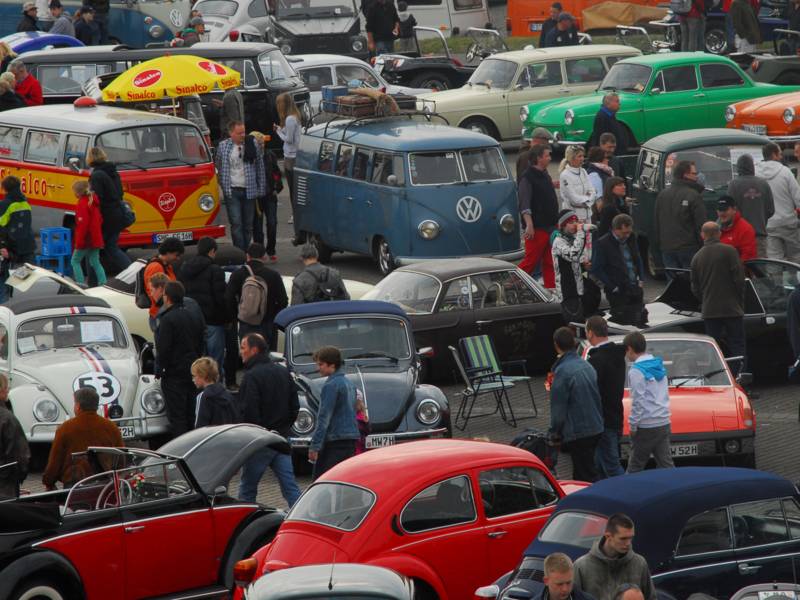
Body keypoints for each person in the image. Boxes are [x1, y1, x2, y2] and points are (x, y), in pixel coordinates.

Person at [238, 333, 302, 506]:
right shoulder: (283, 372)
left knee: (247, 490)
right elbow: (294, 406)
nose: (240, 352)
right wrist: (284, 427)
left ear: (254, 350)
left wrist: (256, 433)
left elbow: (249, 410)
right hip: (281, 439)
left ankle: (243, 526)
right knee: (290, 487)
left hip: (260, 441)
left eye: (243, 347)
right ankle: (303, 518)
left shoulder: (251, 376)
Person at [549, 327, 604, 482]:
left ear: (556, 344)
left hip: (579, 432)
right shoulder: (587, 365)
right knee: (588, 470)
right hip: (595, 427)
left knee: (583, 477)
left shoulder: (563, 371)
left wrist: (553, 433)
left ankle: (593, 504)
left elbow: (558, 408)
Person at [42, 387, 124, 490]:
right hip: (105, 485)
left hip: (75, 486)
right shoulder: (112, 427)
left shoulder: (65, 429)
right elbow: (120, 459)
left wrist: (48, 482)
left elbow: (54, 462)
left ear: (78, 406)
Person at [691, 221, 746, 371]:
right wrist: (738, 300)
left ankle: (717, 378)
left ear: (702, 235)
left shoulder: (697, 257)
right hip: (732, 308)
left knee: (714, 348)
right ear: (719, 234)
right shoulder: (729, 251)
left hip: (710, 311)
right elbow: (739, 279)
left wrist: (704, 300)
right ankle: (740, 377)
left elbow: (695, 287)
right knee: (737, 344)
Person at [155, 281, 206, 439]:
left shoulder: (168, 319)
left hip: (174, 373)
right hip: (192, 370)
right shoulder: (193, 315)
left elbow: (164, 349)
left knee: (177, 416)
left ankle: (182, 449)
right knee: (191, 412)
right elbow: (201, 341)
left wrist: (159, 370)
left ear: (168, 297)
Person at [623, 331, 674, 473]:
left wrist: (633, 425)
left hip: (646, 425)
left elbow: (638, 401)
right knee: (666, 466)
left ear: (630, 349)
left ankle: (627, 493)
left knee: (635, 467)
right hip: (663, 422)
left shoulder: (636, 371)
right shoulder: (658, 365)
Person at [573, 513, 656, 600]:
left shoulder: (639, 563)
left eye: (630, 538)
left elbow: (651, 598)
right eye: (623, 538)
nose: (628, 543)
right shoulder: (582, 566)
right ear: (608, 536)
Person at [180, 237, 228, 381]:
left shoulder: (185, 268)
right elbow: (220, 298)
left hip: (193, 321)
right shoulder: (215, 270)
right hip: (213, 321)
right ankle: (215, 388)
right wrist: (226, 318)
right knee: (215, 361)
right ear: (212, 251)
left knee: (199, 360)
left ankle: (200, 386)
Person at [309, 346, 360, 480]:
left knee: (323, 480)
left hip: (335, 440)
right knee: (345, 478)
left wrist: (315, 446)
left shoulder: (331, 385)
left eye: (321, 364)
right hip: (350, 437)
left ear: (332, 365)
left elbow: (324, 417)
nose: (318, 367)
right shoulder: (349, 383)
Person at [586, 316, 626, 479]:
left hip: (603, 420)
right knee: (600, 465)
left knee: (611, 467)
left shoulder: (597, 360)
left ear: (590, 333)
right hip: (616, 415)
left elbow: (592, 391)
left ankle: (629, 494)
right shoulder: (617, 355)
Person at [226, 242, 288, 349]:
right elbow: (283, 301)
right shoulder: (273, 275)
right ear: (264, 257)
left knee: (248, 355)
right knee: (268, 356)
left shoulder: (238, 274)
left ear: (247, 256)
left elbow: (228, 298)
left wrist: (237, 315)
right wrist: (272, 316)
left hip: (246, 323)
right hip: (267, 323)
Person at [216, 121, 265, 251]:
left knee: (248, 225)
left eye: (244, 132)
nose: (243, 135)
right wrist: (223, 184)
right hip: (232, 191)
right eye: (239, 133)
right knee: (236, 223)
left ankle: (246, 250)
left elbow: (260, 166)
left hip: (249, 190)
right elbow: (218, 166)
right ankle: (239, 252)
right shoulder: (223, 146)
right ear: (231, 133)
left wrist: (261, 188)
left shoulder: (252, 143)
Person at [592, 214, 646, 327]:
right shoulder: (603, 243)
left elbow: (638, 258)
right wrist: (612, 287)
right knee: (622, 323)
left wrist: (641, 279)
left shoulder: (631, 238)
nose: (628, 235)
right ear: (616, 229)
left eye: (629, 232)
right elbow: (597, 269)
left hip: (635, 287)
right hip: (618, 292)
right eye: (625, 232)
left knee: (641, 320)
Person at [654, 160, 705, 275]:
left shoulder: (662, 195)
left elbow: (657, 223)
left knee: (673, 286)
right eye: (694, 173)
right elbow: (700, 225)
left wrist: (660, 245)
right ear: (685, 175)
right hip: (689, 248)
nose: (697, 176)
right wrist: (703, 246)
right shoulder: (694, 195)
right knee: (692, 284)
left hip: (667, 248)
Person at [518, 144, 559, 288]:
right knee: (530, 261)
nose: (550, 158)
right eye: (547, 155)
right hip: (537, 228)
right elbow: (524, 204)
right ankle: (510, 286)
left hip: (551, 226)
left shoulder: (544, 174)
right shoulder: (527, 178)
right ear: (538, 158)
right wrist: (529, 225)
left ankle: (551, 289)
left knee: (550, 261)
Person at [87, 146, 131, 274]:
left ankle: (92, 283)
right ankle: (132, 273)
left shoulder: (96, 176)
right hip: (117, 214)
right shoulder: (113, 171)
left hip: (106, 217)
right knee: (112, 248)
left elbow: (96, 199)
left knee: (93, 250)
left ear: (90, 158)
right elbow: (119, 193)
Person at [756, 142, 800, 263]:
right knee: (795, 259)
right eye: (780, 154)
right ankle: (794, 281)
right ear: (774, 155)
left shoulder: (756, 174)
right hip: (788, 222)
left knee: (775, 261)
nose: (781, 157)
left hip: (768, 224)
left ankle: (777, 281)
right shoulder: (786, 172)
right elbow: (798, 197)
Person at [727, 153, 774, 257]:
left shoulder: (733, 185)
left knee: (743, 268)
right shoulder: (763, 184)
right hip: (759, 235)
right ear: (752, 167)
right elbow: (771, 210)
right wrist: (760, 219)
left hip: (740, 236)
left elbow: (729, 211)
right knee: (760, 269)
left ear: (738, 168)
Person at [550, 209, 592, 322]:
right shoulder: (558, 242)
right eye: (571, 222)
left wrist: (584, 266)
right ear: (563, 225)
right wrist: (581, 232)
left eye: (576, 221)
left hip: (578, 291)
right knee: (575, 326)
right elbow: (573, 255)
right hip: (568, 293)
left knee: (583, 325)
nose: (575, 225)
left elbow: (575, 262)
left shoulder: (572, 239)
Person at [250, 131, 282, 261]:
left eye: (263, 143)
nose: (262, 145)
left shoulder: (270, 155)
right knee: (257, 225)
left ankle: (271, 249)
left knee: (272, 223)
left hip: (269, 194)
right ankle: (260, 251)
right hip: (257, 196)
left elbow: (276, 173)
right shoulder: (250, 157)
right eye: (259, 143)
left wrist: (276, 188)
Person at [70, 180, 106, 286]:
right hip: (96, 237)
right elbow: (100, 220)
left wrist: (79, 242)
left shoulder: (82, 204)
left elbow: (82, 226)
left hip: (86, 239)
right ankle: (103, 282)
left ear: (78, 193)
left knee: (75, 261)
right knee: (95, 261)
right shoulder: (93, 202)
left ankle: (80, 283)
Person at [274, 93, 301, 233]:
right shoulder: (293, 117)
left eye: (279, 103)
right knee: (293, 187)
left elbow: (289, 139)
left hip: (291, 156)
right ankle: (296, 213)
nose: (278, 106)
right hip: (292, 155)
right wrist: (280, 128)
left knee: (293, 188)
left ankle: (295, 215)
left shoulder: (290, 119)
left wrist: (278, 131)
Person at [143, 237, 183, 331]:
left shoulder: (166, 266)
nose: (178, 258)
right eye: (176, 255)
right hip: (160, 314)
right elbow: (155, 295)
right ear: (168, 252)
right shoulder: (156, 267)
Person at [0, 374, 28, 499]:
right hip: (4, 486)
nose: (8, 390)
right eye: (6, 388)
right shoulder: (7, 419)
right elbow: (20, 456)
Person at [191, 357, 237, 427]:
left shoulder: (203, 396)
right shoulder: (226, 393)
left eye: (194, 376)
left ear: (202, 375)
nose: (193, 380)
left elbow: (200, 426)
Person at [0, 176, 35, 267]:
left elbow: (1, 228)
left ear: (5, 189)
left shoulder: (5, 204)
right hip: (28, 246)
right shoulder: (25, 202)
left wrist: (2, 246)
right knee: (28, 277)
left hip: (12, 248)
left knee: (7, 278)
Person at [559, 146, 596, 222]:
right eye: (579, 156)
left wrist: (587, 201)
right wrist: (588, 199)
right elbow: (573, 199)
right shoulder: (565, 175)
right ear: (571, 158)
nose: (582, 158)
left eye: (583, 156)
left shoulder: (583, 171)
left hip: (588, 215)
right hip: (574, 218)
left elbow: (593, 191)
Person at [717, 195, 756, 261]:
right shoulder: (714, 228)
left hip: (736, 269)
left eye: (725, 210)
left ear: (734, 210)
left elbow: (748, 257)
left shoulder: (745, 229)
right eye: (720, 210)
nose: (722, 213)